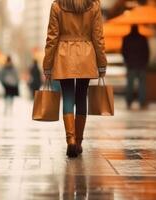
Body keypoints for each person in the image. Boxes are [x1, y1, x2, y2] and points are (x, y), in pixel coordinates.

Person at [43, 0, 107, 158]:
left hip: (64, 55)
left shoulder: (57, 5)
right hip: (86, 55)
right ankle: (78, 142)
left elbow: (52, 38)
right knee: (81, 97)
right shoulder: (93, 5)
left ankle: (70, 140)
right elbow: (98, 36)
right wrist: (102, 63)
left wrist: (47, 64)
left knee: (68, 97)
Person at [122, 25, 150, 110]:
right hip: (141, 65)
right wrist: (145, 62)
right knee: (142, 85)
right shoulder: (143, 38)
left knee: (130, 85)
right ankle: (142, 101)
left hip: (131, 65)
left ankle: (129, 101)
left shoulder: (126, 39)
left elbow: (124, 52)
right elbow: (147, 52)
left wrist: (127, 61)